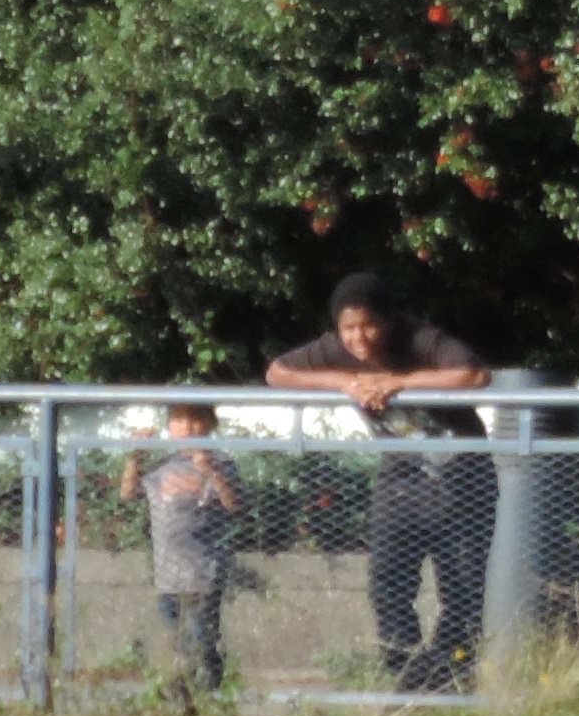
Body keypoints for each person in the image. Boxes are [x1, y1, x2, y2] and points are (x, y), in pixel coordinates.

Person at [265, 273, 495, 692]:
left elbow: (475, 375)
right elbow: (277, 372)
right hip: (402, 478)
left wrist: (400, 382)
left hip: (464, 476)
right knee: (388, 584)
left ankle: (451, 676)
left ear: (388, 321)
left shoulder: (420, 339)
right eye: (348, 328)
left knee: (462, 588)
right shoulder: (337, 349)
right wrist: (343, 382)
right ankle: (406, 675)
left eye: (368, 325)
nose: (359, 338)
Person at [118, 402, 243, 694]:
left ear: (209, 424)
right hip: (167, 571)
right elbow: (128, 493)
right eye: (178, 419)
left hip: (204, 569)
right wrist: (135, 457)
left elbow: (236, 504)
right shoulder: (163, 464)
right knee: (174, 633)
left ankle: (209, 687)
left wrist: (210, 472)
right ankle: (181, 688)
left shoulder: (221, 462)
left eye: (195, 419)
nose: (186, 427)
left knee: (201, 634)